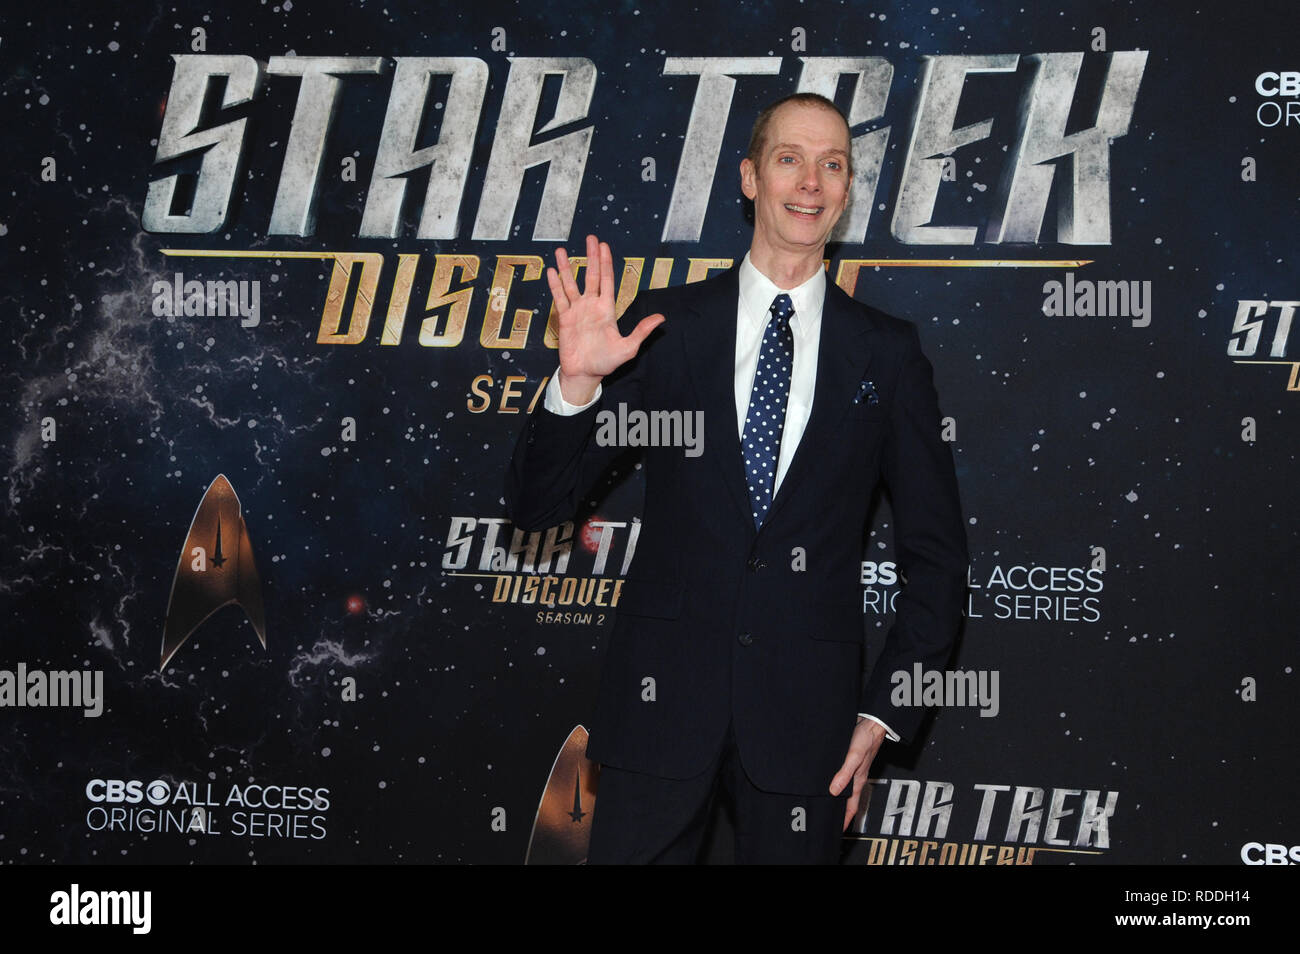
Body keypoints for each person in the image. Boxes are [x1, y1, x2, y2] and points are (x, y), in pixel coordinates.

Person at [505, 93, 968, 864]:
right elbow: (534, 508)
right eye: (790, 159)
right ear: (751, 178)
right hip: (656, 720)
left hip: (807, 737)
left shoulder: (887, 355)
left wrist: (883, 715)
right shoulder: (665, 328)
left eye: (833, 165)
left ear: (848, 189)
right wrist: (577, 385)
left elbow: (940, 560)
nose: (811, 182)